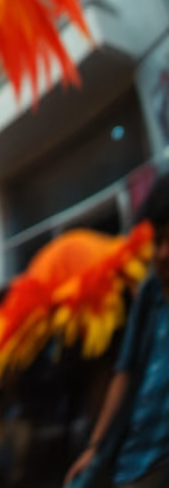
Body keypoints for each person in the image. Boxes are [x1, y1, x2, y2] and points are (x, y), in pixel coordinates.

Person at [67, 176, 169, 488]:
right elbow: (123, 372)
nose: (162, 253)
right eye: (157, 241)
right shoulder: (150, 293)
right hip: (130, 458)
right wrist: (96, 447)